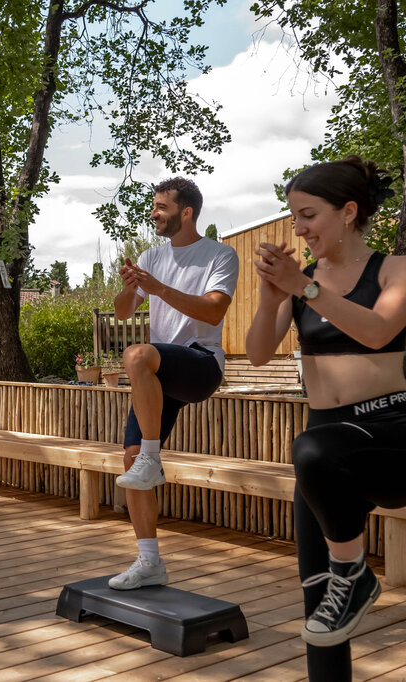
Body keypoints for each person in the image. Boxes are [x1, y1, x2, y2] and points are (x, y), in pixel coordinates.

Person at [245, 156, 406, 681]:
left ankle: (353, 573)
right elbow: (258, 354)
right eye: (294, 218)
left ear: (349, 212)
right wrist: (270, 298)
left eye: (308, 215)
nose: (299, 229)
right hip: (324, 451)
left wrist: (305, 289)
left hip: (392, 436)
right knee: (322, 611)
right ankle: (348, 580)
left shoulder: (397, 268)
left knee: (312, 450)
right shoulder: (302, 281)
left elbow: (377, 331)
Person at [109, 177, 239, 589]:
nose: (153, 214)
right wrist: (131, 288)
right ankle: (150, 562)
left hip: (200, 364)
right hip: (159, 374)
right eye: (153, 206)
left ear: (186, 212)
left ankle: (152, 458)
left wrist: (159, 288)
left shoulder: (219, 255)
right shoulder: (151, 256)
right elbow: (123, 313)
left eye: (161, 207)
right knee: (131, 461)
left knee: (137, 354)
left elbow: (214, 312)